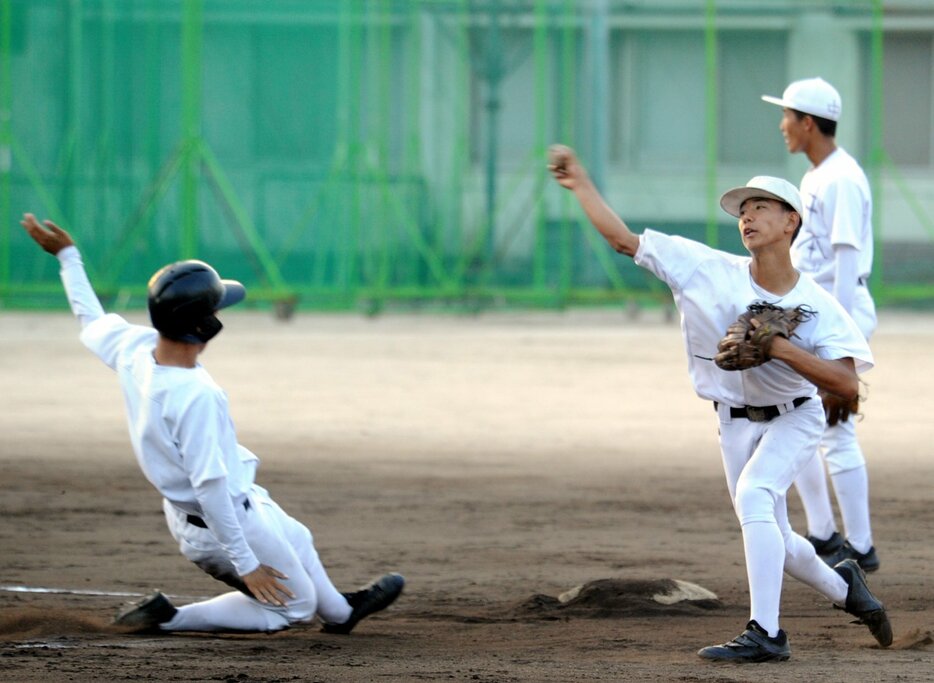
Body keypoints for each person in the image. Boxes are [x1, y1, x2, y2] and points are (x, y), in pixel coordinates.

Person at [546, 147, 892, 662]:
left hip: (795, 417)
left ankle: (767, 634)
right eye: (743, 209)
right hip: (731, 424)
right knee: (779, 537)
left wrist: (780, 348)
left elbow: (846, 385)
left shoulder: (819, 304)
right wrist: (581, 185)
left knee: (755, 495)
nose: (747, 216)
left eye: (762, 206)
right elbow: (624, 240)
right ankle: (847, 589)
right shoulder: (705, 270)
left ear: (791, 221)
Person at [22, 213, 404, 635]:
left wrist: (68, 256)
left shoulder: (137, 348)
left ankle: (342, 614)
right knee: (294, 609)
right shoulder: (195, 395)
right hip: (221, 522)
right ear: (205, 326)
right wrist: (246, 564)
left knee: (298, 536)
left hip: (217, 508)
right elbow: (210, 487)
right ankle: (170, 619)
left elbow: (90, 320)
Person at [762, 77, 880, 572]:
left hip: (840, 312)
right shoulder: (815, 176)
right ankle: (826, 535)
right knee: (797, 419)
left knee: (834, 429)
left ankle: (860, 546)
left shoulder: (841, 179)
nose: (782, 124)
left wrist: (842, 345)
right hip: (814, 314)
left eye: (787, 115)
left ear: (808, 123)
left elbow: (847, 261)